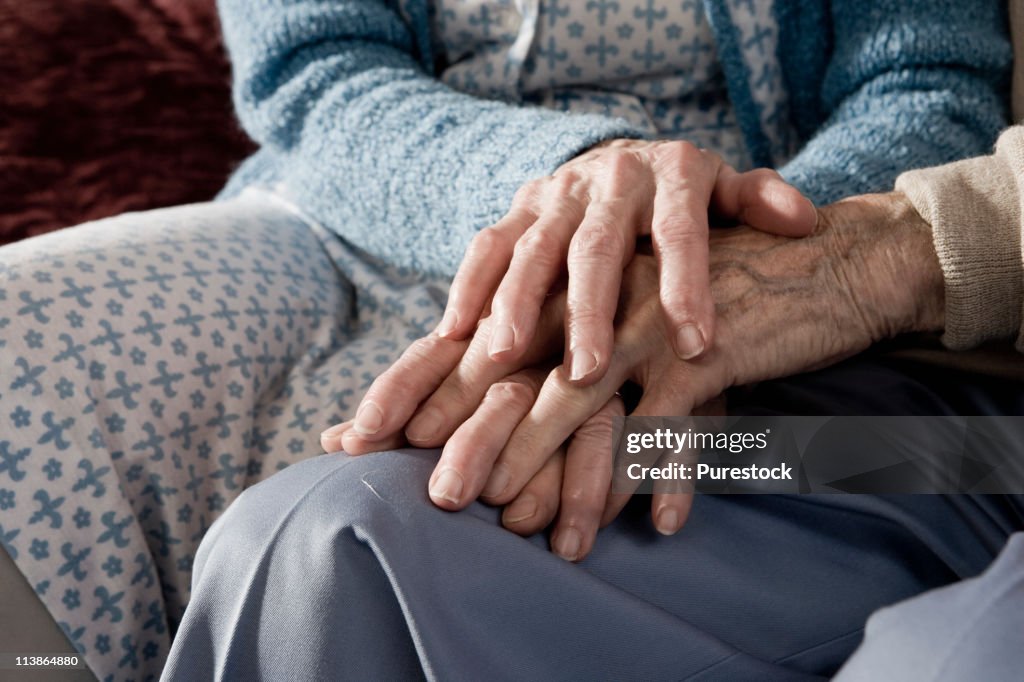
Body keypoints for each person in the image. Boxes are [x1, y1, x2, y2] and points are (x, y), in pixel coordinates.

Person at [0, 0, 1012, 680]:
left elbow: (928, 88)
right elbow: (315, 77)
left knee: (347, 530)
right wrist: (568, 200)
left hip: (745, 259)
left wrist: (697, 278)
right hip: (364, 214)